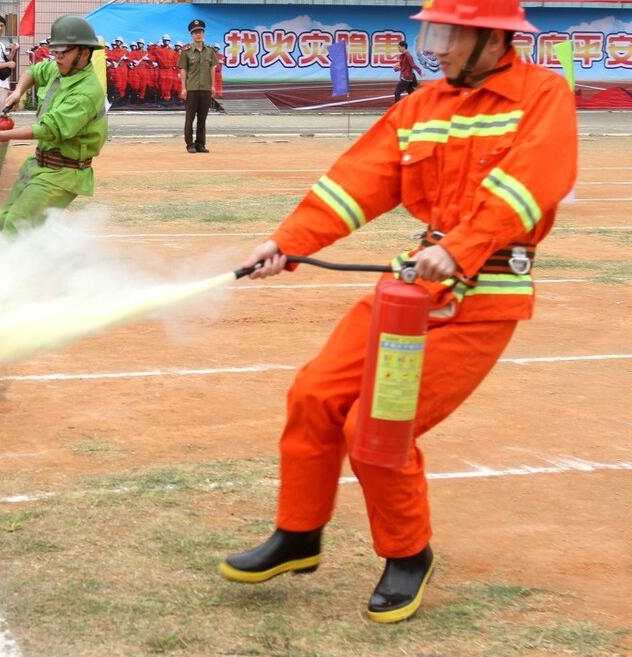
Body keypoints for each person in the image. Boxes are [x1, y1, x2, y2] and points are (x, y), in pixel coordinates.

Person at [221, 0, 577, 624]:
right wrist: (289, 242)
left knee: (376, 425)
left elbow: (531, 182)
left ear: (490, 38)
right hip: (412, 286)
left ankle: (409, 554)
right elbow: (359, 179)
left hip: (483, 298)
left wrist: (461, 249)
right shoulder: (421, 106)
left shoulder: (541, 95)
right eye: (429, 30)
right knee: (313, 394)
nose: (431, 44)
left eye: (445, 32)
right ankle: (298, 536)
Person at [0, 15, 108, 234]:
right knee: (4, 220)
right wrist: (18, 91)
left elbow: (48, 130)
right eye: (55, 51)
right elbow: (34, 72)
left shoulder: (86, 92)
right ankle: (42, 261)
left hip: (64, 173)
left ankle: (21, 267)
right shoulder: (61, 69)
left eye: (63, 52)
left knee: (16, 226)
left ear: (84, 53)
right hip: (40, 164)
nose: (56, 58)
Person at [178, 19, 219, 153]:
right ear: (191, 35)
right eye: (195, 33)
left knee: (202, 118)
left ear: (204, 34)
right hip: (192, 89)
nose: (198, 35)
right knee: (190, 118)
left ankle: (200, 143)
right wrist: (183, 88)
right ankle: (190, 144)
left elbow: (212, 69)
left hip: (206, 89)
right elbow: (183, 70)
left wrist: (213, 85)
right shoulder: (186, 52)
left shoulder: (210, 51)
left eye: (200, 32)